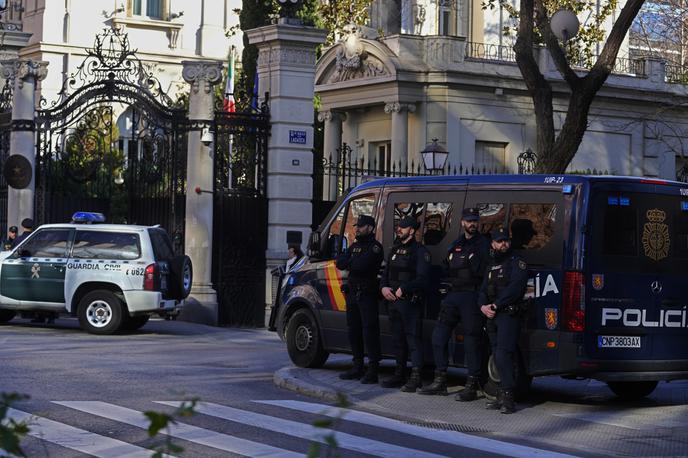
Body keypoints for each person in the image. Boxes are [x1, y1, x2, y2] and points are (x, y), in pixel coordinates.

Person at [419, 207, 490, 398]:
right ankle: (440, 379)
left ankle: (472, 384)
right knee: (438, 337)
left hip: (472, 297)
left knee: (472, 341)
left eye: (474, 220)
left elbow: (486, 275)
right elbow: (445, 267)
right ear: (462, 223)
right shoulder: (456, 244)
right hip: (453, 296)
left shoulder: (484, 244)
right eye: (469, 220)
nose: (472, 224)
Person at [479, 227, 528, 414]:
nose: (503, 244)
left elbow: (515, 289)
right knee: (496, 354)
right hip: (492, 315)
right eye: (499, 241)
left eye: (506, 240)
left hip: (507, 314)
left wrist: (496, 305)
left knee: (503, 354)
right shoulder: (491, 265)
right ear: (493, 244)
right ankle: (501, 394)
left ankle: (508, 396)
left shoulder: (517, 262)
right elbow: (483, 289)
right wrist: (483, 306)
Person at [379, 215, 431, 392]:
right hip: (393, 302)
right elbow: (385, 273)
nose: (399, 229)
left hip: (409, 303)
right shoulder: (394, 249)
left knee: (413, 340)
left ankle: (416, 377)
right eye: (399, 226)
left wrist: (405, 289)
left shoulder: (420, 251)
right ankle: (399, 373)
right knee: (397, 340)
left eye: (404, 227)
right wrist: (384, 288)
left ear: (412, 230)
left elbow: (423, 279)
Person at [335, 215, 384, 383]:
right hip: (352, 294)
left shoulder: (375, 247)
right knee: (353, 330)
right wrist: (351, 262)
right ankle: (357, 366)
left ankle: (373, 370)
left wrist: (350, 262)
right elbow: (340, 262)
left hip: (367, 294)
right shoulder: (354, 246)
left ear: (370, 228)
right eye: (357, 226)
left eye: (361, 226)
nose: (357, 229)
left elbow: (360, 266)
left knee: (369, 331)